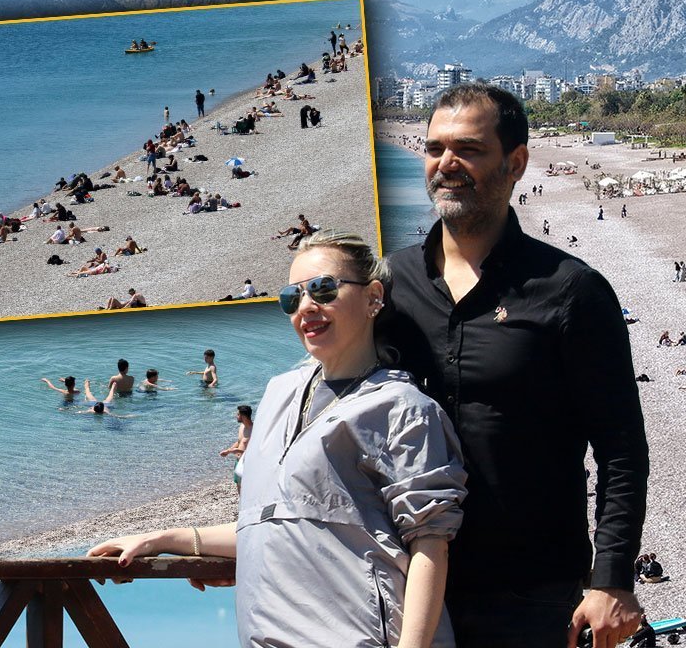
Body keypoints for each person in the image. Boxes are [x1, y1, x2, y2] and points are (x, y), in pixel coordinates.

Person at [90, 231, 468, 647]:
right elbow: (270, 522)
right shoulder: (278, 395)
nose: (306, 306)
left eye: (323, 289)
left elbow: (430, 545)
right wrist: (163, 539)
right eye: (292, 297)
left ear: (373, 297)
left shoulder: (403, 407)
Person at [382, 84, 647, 648]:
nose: (446, 164)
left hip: (532, 594)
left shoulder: (570, 290)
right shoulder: (391, 286)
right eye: (435, 148)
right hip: (403, 582)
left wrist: (612, 579)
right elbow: (337, 415)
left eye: (469, 149)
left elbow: (621, 447)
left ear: (516, 163)